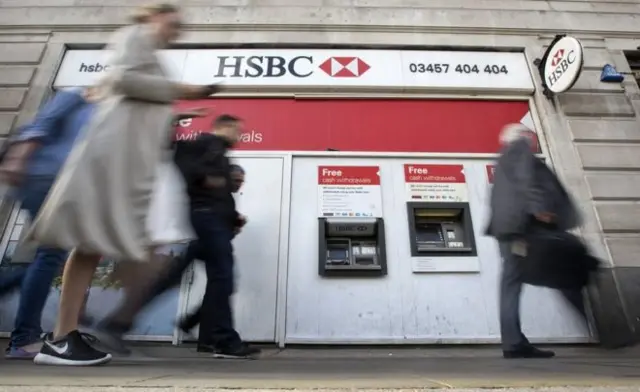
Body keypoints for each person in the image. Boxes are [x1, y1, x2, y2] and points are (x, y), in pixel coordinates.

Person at [27, 3, 217, 366]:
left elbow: (134, 98)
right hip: (112, 154)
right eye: (173, 22)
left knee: (91, 245)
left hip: (122, 155)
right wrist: (183, 89)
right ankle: (67, 336)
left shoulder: (146, 46)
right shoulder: (134, 35)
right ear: (152, 15)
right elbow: (122, 79)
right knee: (90, 244)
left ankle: (65, 335)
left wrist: (177, 112)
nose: (176, 30)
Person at [93, 115, 260, 359]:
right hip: (207, 223)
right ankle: (223, 340)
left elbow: (218, 196)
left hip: (209, 223)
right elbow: (184, 163)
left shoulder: (218, 152)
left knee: (172, 279)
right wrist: (206, 179)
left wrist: (233, 217)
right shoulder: (207, 143)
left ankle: (116, 325)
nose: (239, 135)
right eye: (236, 130)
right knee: (223, 279)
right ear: (223, 127)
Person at [0, 87, 97, 360]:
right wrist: (18, 160)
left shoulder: (99, 110)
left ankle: (32, 333)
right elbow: (39, 126)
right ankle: (24, 338)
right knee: (50, 255)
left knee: (51, 257)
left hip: (60, 184)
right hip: (45, 180)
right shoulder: (74, 97)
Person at [486, 123, 585, 359]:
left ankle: (513, 342)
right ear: (523, 136)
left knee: (512, 284)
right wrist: (539, 209)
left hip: (509, 230)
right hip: (525, 229)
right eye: (529, 135)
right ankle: (606, 327)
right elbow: (526, 179)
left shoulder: (501, 159)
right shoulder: (519, 149)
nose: (532, 139)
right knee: (565, 272)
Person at [177, 163, 246, 346]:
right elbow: (217, 228)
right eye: (236, 180)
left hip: (210, 246)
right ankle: (201, 329)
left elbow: (224, 230)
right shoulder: (218, 197)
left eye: (242, 181)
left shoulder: (226, 199)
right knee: (222, 287)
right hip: (206, 246)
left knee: (218, 290)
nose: (239, 185)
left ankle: (204, 337)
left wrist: (235, 225)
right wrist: (235, 224)